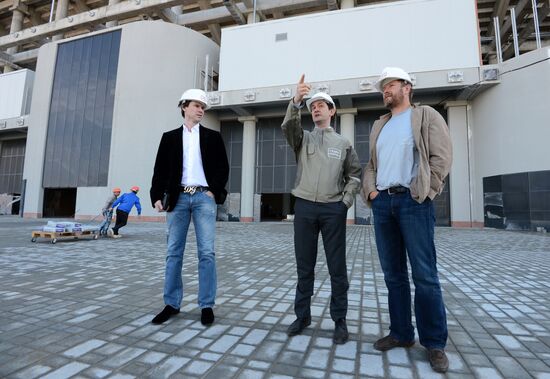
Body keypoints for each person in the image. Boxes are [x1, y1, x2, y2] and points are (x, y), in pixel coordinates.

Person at [362, 67, 452, 373]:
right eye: (383, 87)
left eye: (391, 84)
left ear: (407, 87)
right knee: (393, 274)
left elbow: (442, 156)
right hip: (383, 203)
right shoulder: (380, 125)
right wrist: (372, 193)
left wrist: (426, 191)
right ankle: (401, 333)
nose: (385, 90)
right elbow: (371, 164)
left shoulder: (425, 115)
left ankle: (434, 342)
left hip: (413, 202)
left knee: (424, 274)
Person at [281, 74, 362, 344]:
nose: (316, 108)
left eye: (321, 105)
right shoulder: (302, 139)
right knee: (305, 267)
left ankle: (339, 319)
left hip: (332, 210)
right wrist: (296, 101)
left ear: (332, 111)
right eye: (312, 105)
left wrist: (345, 204)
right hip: (304, 207)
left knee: (337, 268)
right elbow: (288, 127)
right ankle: (302, 316)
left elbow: (355, 176)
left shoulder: (343, 143)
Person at [150, 88, 229, 326]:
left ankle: (206, 305)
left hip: (204, 197)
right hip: (178, 199)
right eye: (197, 105)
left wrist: (213, 191)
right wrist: (156, 195)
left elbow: (223, 167)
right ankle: (172, 304)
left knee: (207, 252)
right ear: (184, 106)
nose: (201, 110)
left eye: (203, 107)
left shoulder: (213, 137)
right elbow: (160, 170)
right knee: (173, 252)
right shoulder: (169, 137)